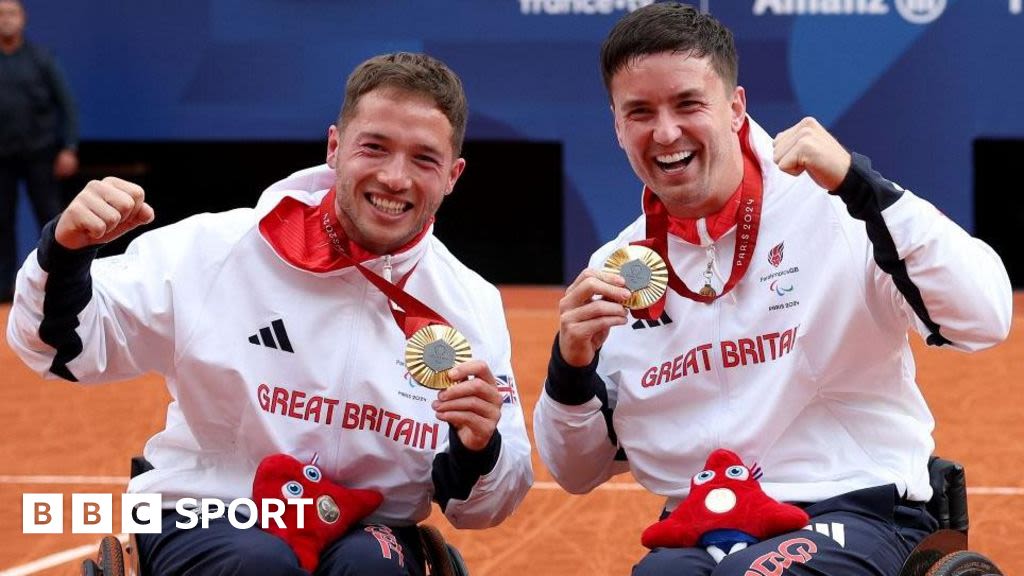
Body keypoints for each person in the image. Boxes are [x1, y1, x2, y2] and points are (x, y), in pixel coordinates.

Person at [7, 52, 533, 576]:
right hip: (212, 511)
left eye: (424, 159)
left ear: (453, 175)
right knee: (258, 563)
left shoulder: (469, 302)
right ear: (335, 147)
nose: (395, 178)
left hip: (369, 528)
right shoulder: (220, 250)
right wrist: (67, 250)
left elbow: (485, 505)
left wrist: (479, 447)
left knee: (368, 567)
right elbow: (58, 348)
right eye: (374, 147)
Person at [533, 4, 1012, 576]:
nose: (665, 132)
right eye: (640, 111)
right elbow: (575, 471)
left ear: (735, 108)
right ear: (617, 126)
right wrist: (571, 364)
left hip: (855, 509)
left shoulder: (839, 209)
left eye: (688, 103)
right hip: (702, 524)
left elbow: (984, 317)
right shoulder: (617, 269)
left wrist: (865, 189)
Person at [0, 0, 78, 303]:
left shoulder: (41, 59)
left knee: (51, 219)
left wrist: (68, 147)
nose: (6, 20)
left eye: (11, 13)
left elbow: (67, 105)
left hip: (39, 154)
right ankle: (6, 289)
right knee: (1, 222)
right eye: (1, 15)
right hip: (2, 157)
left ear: (23, 18)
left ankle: (58, 285)